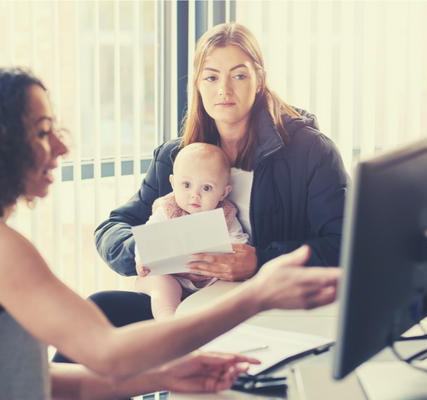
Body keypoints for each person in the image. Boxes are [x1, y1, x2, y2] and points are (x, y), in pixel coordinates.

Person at [0, 66, 341, 400]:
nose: (62, 146)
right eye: (43, 132)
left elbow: (35, 383)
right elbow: (111, 354)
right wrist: (258, 295)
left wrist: (163, 378)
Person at [91, 22, 350, 327]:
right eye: (211, 77)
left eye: (238, 76)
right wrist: (140, 250)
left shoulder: (311, 152)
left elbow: (345, 244)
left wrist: (260, 260)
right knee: (98, 310)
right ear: (198, 85)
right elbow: (112, 228)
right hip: (184, 306)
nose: (224, 90)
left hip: (266, 309)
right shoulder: (176, 158)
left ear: (259, 81)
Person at [134, 142, 249, 320]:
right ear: (173, 183)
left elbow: (239, 242)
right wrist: (142, 260)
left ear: (223, 193)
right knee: (161, 283)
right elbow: (147, 238)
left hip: (212, 278)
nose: (195, 195)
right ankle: (168, 318)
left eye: (206, 188)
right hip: (173, 275)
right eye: (186, 185)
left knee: (231, 287)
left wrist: (232, 257)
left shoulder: (225, 215)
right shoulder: (167, 209)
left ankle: (212, 320)